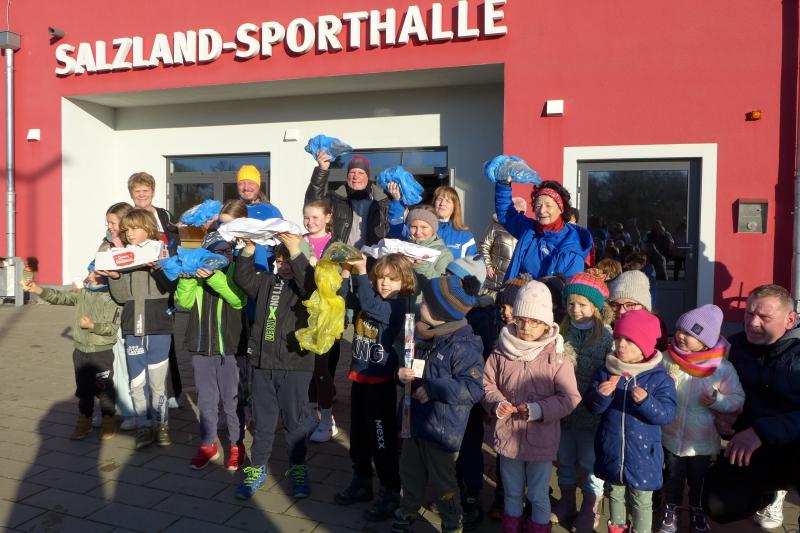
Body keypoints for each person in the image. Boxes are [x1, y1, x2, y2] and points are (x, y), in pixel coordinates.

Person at [483, 280, 581, 533]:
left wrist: (539, 410)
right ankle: (512, 527)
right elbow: (487, 384)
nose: (526, 327)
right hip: (508, 438)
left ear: (547, 323)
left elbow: (570, 397)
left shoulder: (557, 357)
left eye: (535, 322)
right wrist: (496, 403)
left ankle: (538, 527)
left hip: (542, 441)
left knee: (538, 494)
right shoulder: (501, 350)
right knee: (512, 493)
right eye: (521, 320)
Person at [391, 273, 485, 533]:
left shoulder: (463, 346)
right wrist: (401, 376)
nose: (420, 303)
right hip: (415, 422)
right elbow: (412, 369)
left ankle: (452, 522)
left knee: (444, 482)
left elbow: (473, 389)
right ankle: (408, 509)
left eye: (425, 302)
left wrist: (433, 389)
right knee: (409, 471)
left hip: (441, 430)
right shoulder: (424, 335)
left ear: (440, 312)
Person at [702, 284, 800, 529]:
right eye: (749, 314)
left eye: (764, 317)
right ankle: (768, 495)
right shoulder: (733, 348)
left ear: (790, 320)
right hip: (749, 448)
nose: (753, 323)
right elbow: (716, 391)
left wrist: (761, 431)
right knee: (718, 506)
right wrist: (721, 415)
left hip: (794, 445)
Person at [232, 233, 316, 500]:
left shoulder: (309, 287)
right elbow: (242, 278)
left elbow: (309, 284)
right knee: (263, 422)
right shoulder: (268, 281)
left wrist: (296, 252)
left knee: (295, 422)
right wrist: (248, 250)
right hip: (262, 363)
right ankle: (257, 468)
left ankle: (298, 467)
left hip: (295, 364)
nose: (284, 266)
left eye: (289, 260)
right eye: (280, 261)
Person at [334, 253, 417, 521]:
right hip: (360, 377)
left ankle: (390, 491)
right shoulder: (370, 296)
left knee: (382, 441)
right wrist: (346, 273)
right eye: (380, 277)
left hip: (382, 384)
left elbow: (369, 304)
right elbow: (344, 298)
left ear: (405, 282)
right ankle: (361, 480)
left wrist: (361, 269)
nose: (384, 283)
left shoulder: (398, 307)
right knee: (358, 435)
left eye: (392, 279)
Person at [586, 309, 677, 533]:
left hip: (644, 455)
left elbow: (667, 414)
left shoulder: (659, 378)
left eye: (629, 340)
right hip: (612, 451)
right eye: (618, 338)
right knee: (614, 493)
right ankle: (617, 528)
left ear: (645, 345)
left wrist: (646, 402)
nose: (620, 344)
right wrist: (600, 396)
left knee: (642, 500)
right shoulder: (607, 371)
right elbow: (592, 407)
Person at [176, 201, 248, 471]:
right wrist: (187, 277)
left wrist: (215, 277)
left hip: (229, 344)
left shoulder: (237, 265)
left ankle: (236, 445)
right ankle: (208, 444)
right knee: (206, 399)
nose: (223, 254)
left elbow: (238, 300)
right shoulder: (198, 265)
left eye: (227, 250)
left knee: (232, 399)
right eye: (217, 251)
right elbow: (184, 302)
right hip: (201, 343)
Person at [658, 305, 744, 533]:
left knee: (699, 479)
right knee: (672, 476)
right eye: (679, 330)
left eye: (689, 333)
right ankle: (671, 508)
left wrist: (717, 400)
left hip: (702, 442)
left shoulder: (721, 368)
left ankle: (698, 509)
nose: (680, 336)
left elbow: (737, 400)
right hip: (670, 435)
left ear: (706, 342)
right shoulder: (666, 359)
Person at [100, 209, 177, 450]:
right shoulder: (124, 256)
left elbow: (172, 287)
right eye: (126, 230)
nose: (130, 234)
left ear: (148, 228)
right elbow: (122, 297)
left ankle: (162, 425)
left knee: (157, 383)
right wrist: (115, 277)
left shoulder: (162, 252)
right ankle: (144, 425)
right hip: (132, 326)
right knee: (136, 382)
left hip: (158, 326)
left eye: (134, 228)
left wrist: (158, 268)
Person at [21, 265, 121, 441]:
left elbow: (112, 328)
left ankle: (108, 421)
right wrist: (36, 289)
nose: (89, 275)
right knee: (83, 389)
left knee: (104, 388)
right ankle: (85, 421)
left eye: (93, 272)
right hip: (80, 350)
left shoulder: (113, 298)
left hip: (101, 352)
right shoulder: (83, 293)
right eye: (90, 271)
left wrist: (92, 326)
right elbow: (60, 297)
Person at [551, 271, 613, 531]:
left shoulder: (605, 337)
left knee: (589, 463)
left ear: (595, 307)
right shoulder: (560, 331)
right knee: (565, 459)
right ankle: (567, 501)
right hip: (563, 412)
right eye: (571, 303)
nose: (575, 309)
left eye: (582, 304)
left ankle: (590, 507)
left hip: (590, 414)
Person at [127, 172, 183, 406]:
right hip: (139, 283)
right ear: (131, 194)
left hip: (164, 277)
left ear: (153, 191)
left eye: (145, 190)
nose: (141, 195)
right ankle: (142, 396)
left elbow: (176, 240)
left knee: (166, 338)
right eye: (137, 191)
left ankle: (171, 393)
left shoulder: (164, 215)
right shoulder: (128, 216)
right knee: (139, 344)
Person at [495, 178, 592, 280]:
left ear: (561, 209)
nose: (542, 211)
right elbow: (507, 215)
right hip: (513, 289)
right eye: (538, 206)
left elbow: (569, 287)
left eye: (548, 205)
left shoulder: (572, 251)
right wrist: (504, 184)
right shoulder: (529, 229)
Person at [301, 199, 340, 442]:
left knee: (321, 368)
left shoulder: (335, 245)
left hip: (327, 315)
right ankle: (309, 413)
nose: (310, 222)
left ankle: (327, 420)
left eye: (315, 217)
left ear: (327, 217)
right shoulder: (299, 241)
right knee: (304, 366)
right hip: (302, 311)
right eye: (306, 217)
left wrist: (319, 270)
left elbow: (342, 279)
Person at [98, 202, 137, 431]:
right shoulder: (106, 242)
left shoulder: (133, 245)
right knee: (111, 363)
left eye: (113, 222)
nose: (109, 227)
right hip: (108, 310)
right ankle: (111, 408)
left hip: (127, 311)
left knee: (127, 363)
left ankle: (132, 411)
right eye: (108, 222)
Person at [306, 152, 390, 248]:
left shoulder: (382, 202)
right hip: (339, 255)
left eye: (361, 173)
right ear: (347, 176)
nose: (356, 176)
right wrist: (322, 170)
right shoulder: (335, 198)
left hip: (371, 256)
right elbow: (312, 204)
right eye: (352, 172)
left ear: (367, 177)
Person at [388, 205, 453, 300]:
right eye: (414, 227)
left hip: (424, 306)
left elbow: (440, 286)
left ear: (433, 228)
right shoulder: (402, 247)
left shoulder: (443, 254)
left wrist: (420, 265)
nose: (418, 232)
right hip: (399, 305)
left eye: (424, 227)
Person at [236, 164, 283, 272]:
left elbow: (283, 242)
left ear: (258, 185)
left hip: (263, 271)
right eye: (241, 183)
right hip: (236, 270)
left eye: (251, 183)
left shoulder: (271, 210)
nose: (246, 187)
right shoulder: (232, 209)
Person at [608, 269, 669, 351]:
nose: (621, 311)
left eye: (630, 305)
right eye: (615, 305)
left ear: (644, 306)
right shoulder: (604, 326)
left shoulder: (656, 327)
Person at [479, 196, 526, 297]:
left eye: (522, 212)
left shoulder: (525, 232)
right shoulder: (496, 226)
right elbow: (484, 246)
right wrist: (488, 265)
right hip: (492, 282)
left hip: (512, 284)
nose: (519, 214)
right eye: (516, 211)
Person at [431, 185, 476, 259]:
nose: (442, 203)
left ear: (454, 207)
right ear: (434, 203)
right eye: (439, 199)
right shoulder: (422, 231)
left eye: (447, 201)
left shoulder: (465, 236)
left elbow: (472, 263)